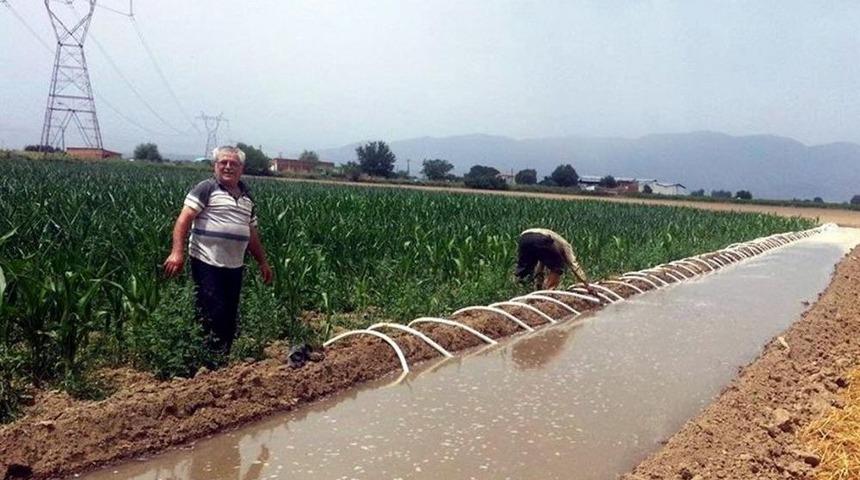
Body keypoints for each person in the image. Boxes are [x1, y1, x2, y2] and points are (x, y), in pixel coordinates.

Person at [163, 146, 273, 357]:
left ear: (242, 168)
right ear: (215, 165)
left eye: (234, 163)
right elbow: (183, 219)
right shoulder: (206, 188)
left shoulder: (247, 197)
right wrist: (177, 252)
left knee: (229, 315)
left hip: (234, 266)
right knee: (212, 311)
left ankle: (222, 363)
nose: (228, 167)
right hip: (206, 262)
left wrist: (262, 262)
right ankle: (206, 360)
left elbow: (251, 234)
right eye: (223, 162)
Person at [515, 228, 595, 292]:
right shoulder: (566, 246)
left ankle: (523, 291)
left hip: (524, 238)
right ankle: (549, 291)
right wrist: (587, 285)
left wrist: (539, 285)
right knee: (557, 266)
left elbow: (541, 265)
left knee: (525, 268)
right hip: (541, 238)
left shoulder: (552, 246)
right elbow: (574, 265)